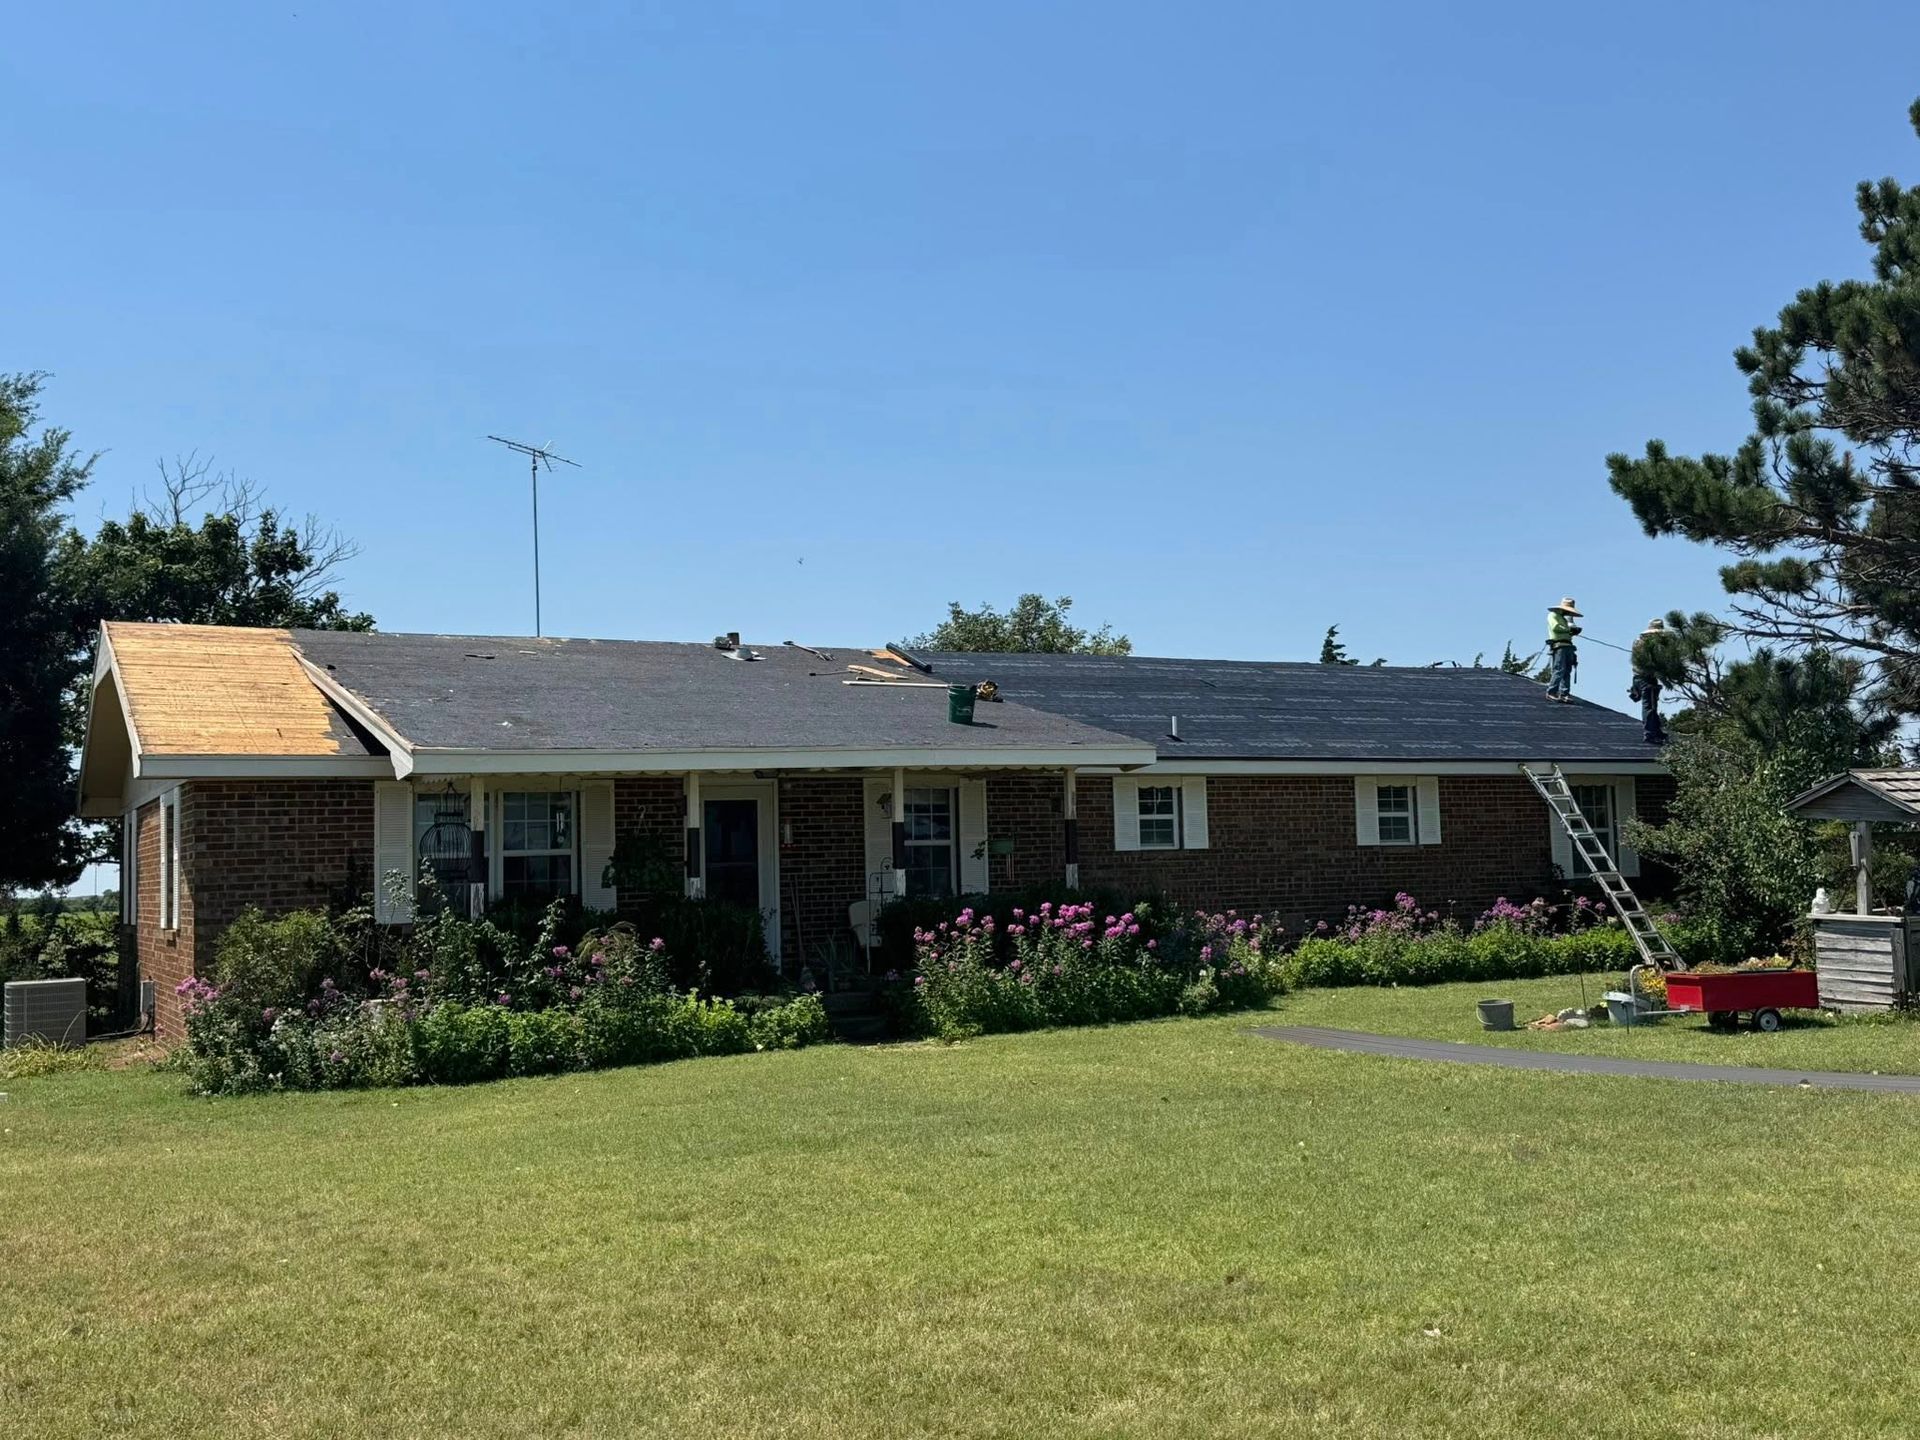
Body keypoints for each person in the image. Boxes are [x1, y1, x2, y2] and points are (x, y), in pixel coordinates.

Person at [1628, 617, 1669, 745]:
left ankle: (1656, 730)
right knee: (1650, 706)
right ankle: (1650, 734)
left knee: (1652, 705)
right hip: (1646, 678)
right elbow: (1653, 663)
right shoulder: (1649, 645)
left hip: (1639, 677)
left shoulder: (1638, 642)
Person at [1544, 597, 1581, 702]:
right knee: (1559, 669)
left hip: (1568, 645)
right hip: (1559, 646)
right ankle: (1551, 692)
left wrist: (1572, 632)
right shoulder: (1553, 615)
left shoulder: (1563, 619)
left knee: (1567, 670)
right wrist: (1569, 629)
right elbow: (1556, 627)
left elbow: (1565, 631)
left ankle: (1564, 694)